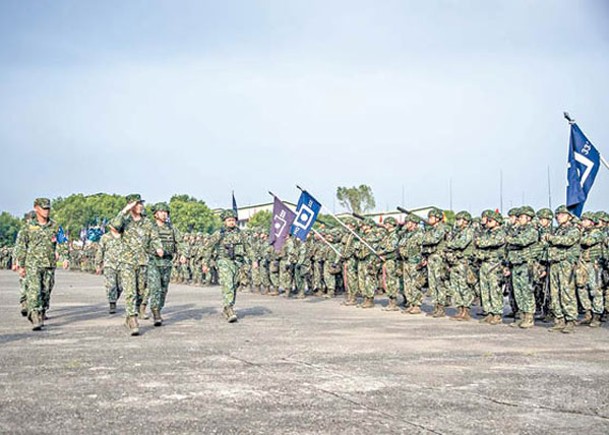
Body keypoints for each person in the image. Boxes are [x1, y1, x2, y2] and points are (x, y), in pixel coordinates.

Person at [111, 194, 163, 336]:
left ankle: (130, 316)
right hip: (127, 262)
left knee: (140, 293)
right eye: (137, 204)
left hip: (143, 262)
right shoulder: (125, 221)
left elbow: (154, 237)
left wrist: (158, 247)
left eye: (141, 204)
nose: (140, 206)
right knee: (130, 291)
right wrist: (125, 210)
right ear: (131, 206)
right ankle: (133, 319)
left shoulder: (147, 223)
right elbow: (114, 225)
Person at [15, 198, 69, 330]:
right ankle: (34, 316)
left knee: (46, 291)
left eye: (48, 208)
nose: (46, 211)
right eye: (44, 208)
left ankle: (41, 310)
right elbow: (21, 246)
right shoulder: (28, 227)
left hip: (49, 264)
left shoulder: (55, 226)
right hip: (32, 264)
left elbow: (62, 242)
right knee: (35, 291)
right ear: (36, 208)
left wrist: (65, 257)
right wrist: (21, 265)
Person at [203, 209, 250, 323]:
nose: (231, 222)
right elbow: (208, 247)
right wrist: (205, 263)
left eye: (233, 220)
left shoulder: (241, 234)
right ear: (224, 222)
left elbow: (248, 248)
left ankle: (227, 307)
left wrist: (253, 261)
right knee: (228, 283)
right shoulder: (219, 234)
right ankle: (229, 308)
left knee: (234, 285)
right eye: (229, 220)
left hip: (238, 263)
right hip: (224, 261)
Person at [545, 205, 581, 333]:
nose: (558, 217)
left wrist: (552, 239)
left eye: (561, 215)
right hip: (554, 264)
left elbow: (568, 241)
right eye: (557, 215)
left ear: (569, 217)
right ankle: (559, 319)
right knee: (554, 293)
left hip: (566, 264)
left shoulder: (574, 229)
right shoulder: (556, 230)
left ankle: (570, 320)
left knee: (567, 292)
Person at [148, 202, 182, 326]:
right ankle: (155, 311)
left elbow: (180, 242)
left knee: (163, 289)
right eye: (161, 212)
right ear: (155, 214)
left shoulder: (172, 228)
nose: (164, 214)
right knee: (155, 287)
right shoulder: (150, 228)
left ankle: (159, 308)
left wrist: (183, 254)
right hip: (153, 261)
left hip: (167, 261)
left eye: (166, 212)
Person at [95, 224, 124, 314]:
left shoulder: (124, 236)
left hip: (122, 265)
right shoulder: (105, 237)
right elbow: (100, 251)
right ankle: (112, 303)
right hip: (109, 265)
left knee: (120, 286)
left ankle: (114, 297)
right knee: (111, 285)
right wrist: (98, 264)